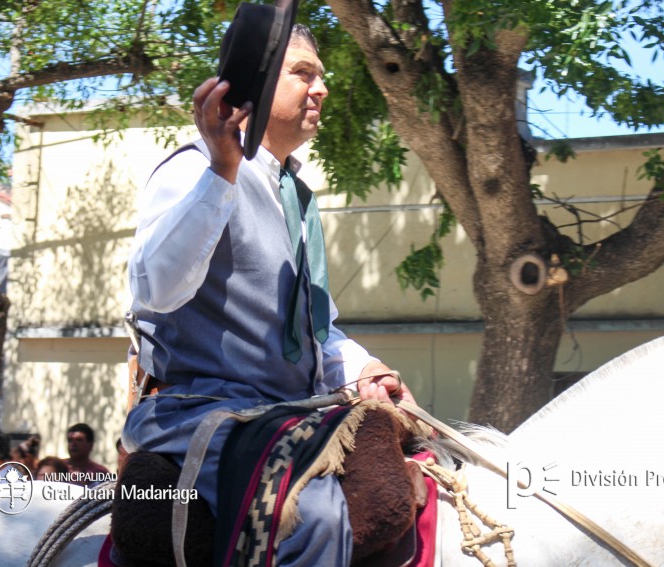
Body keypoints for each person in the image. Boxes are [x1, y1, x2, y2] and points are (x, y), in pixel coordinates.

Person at [121, 16, 416, 567]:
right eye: (303, 73)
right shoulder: (194, 168)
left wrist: (366, 369)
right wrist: (221, 170)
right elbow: (153, 289)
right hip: (198, 415)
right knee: (316, 515)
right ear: (253, 83)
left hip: (282, 416)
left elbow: (313, 334)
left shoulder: (295, 196)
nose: (321, 89)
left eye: (321, 76)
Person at [64, 422, 110, 487]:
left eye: (79, 440)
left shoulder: (100, 472)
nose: (73, 444)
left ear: (90, 445)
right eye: (70, 440)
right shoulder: (58, 467)